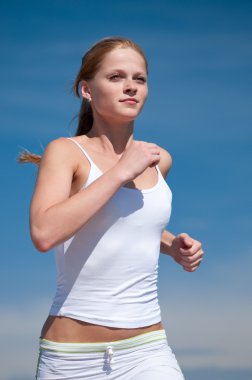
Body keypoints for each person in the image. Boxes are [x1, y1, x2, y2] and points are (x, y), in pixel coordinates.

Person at [20, 37, 204, 379]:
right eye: (116, 77)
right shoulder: (66, 152)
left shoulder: (157, 159)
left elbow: (125, 222)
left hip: (148, 350)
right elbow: (44, 233)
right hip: (71, 359)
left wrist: (171, 245)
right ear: (86, 90)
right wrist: (120, 172)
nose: (130, 87)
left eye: (140, 79)